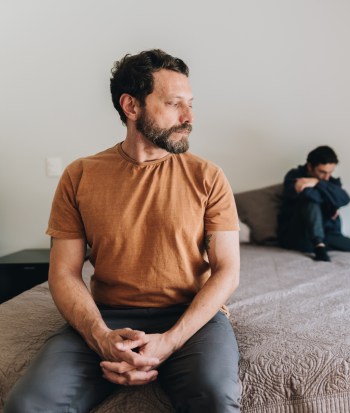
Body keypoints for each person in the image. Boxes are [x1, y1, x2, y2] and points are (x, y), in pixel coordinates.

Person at [5, 49, 241, 413]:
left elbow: (227, 270)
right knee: (28, 404)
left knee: (213, 397)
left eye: (191, 104)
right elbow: (64, 272)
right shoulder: (80, 175)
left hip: (191, 317)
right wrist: (100, 337)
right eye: (175, 104)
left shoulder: (207, 176)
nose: (189, 117)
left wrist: (169, 342)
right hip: (106, 316)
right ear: (131, 106)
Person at [277, 145, 350, 266]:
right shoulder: (294, 177)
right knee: (310, 199)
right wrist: (331, 200)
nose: (326, 177)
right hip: (298, 235)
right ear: (310, 166)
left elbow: (345, 199)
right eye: (322, 172)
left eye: (330, 172)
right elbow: (308, 195)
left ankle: (320, 244)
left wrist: (317, 182)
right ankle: (319, 245)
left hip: (329, 235)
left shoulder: (330, 181)